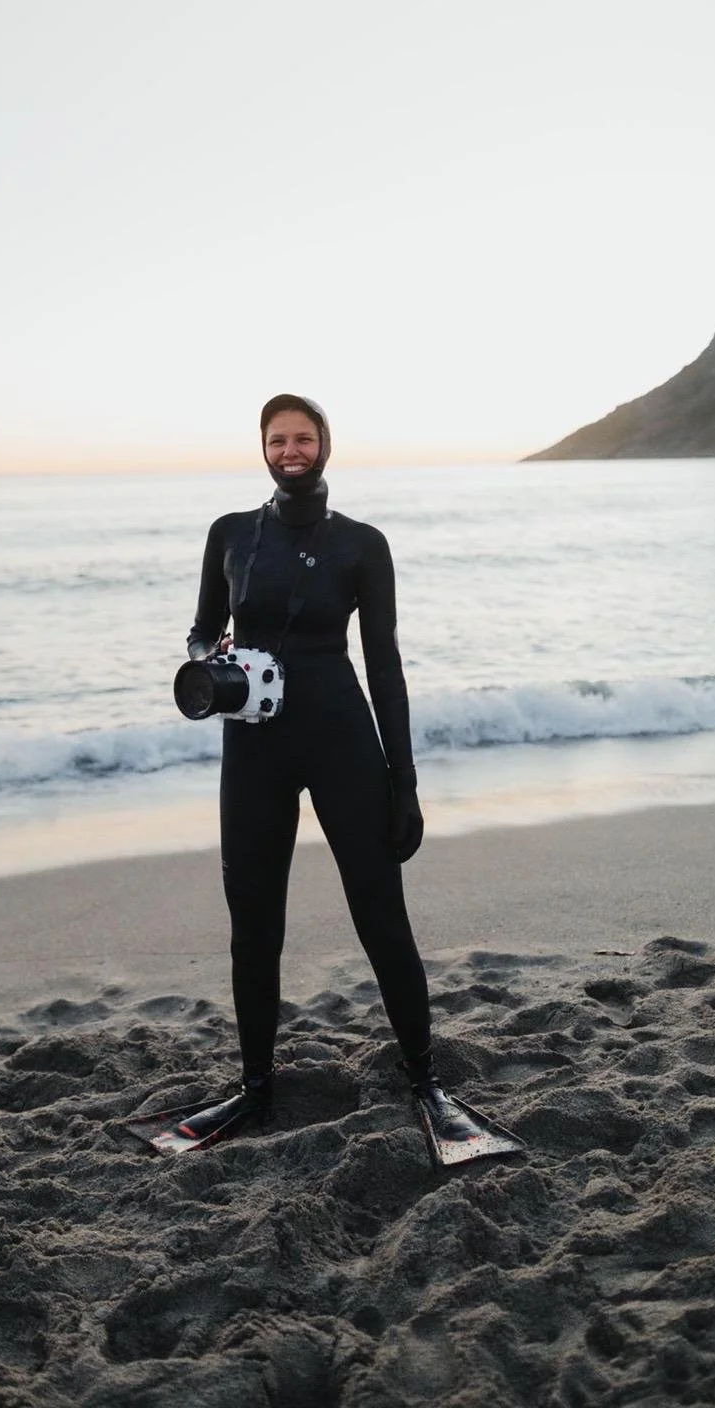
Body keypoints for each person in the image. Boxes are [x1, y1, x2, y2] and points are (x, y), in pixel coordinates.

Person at [173, 393, 488, 1154]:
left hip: (342, 739)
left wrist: (404, 781)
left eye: (303, 438)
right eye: (277, 439)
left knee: (381, 915)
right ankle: (255, 1088)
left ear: (325, 445)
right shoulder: (229, 534)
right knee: (254, 922)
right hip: (255, 744)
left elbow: (384, 666)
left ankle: (426, 1082)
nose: (290, 450)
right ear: (263, 448)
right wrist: (210, 661)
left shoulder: (361, 545)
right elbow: (202, 629)